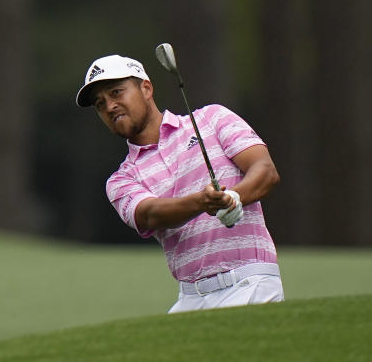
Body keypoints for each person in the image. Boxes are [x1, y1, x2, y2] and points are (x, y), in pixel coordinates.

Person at [75, 53, 284, 313]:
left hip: (251, 283)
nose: (109, 106)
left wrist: (233, 197)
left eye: (116, 92)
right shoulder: (121, 179)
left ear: (146, 88)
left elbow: (264, 169)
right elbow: (150, 214)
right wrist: (202, 202)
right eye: (100, 103)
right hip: (191, 297)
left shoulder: (212, 118)